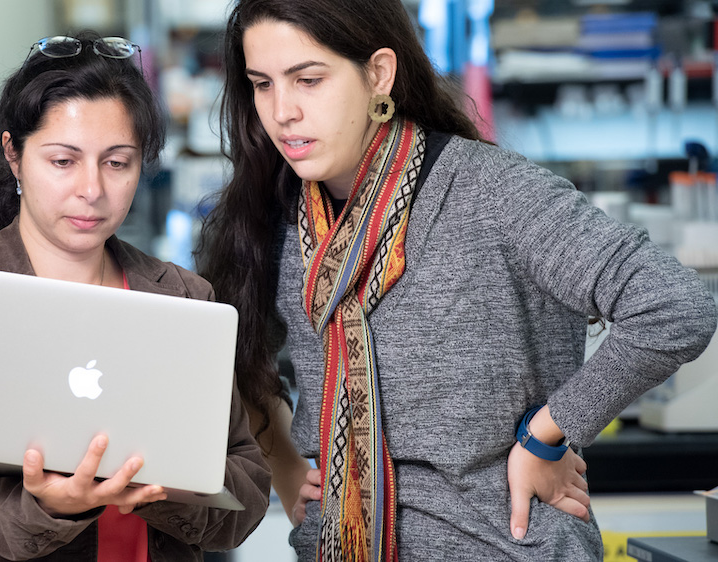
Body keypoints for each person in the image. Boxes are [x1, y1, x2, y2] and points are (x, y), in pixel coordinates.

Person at [195, 0, 718, 560]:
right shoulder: (274, 218)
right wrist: (290, 475)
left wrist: (547, 434)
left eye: (308, 80)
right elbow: (238, 361)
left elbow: (674, 308)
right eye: (262, 85)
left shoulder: (494, 194)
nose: (282, 112)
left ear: (379, 74)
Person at [0, 31, 271, 561]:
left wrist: (162, 493)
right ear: (14, 156)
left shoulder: (185, 300)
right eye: (63, 161)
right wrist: (51, 509)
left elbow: (246, 489)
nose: (92, 189)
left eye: (117, 162)